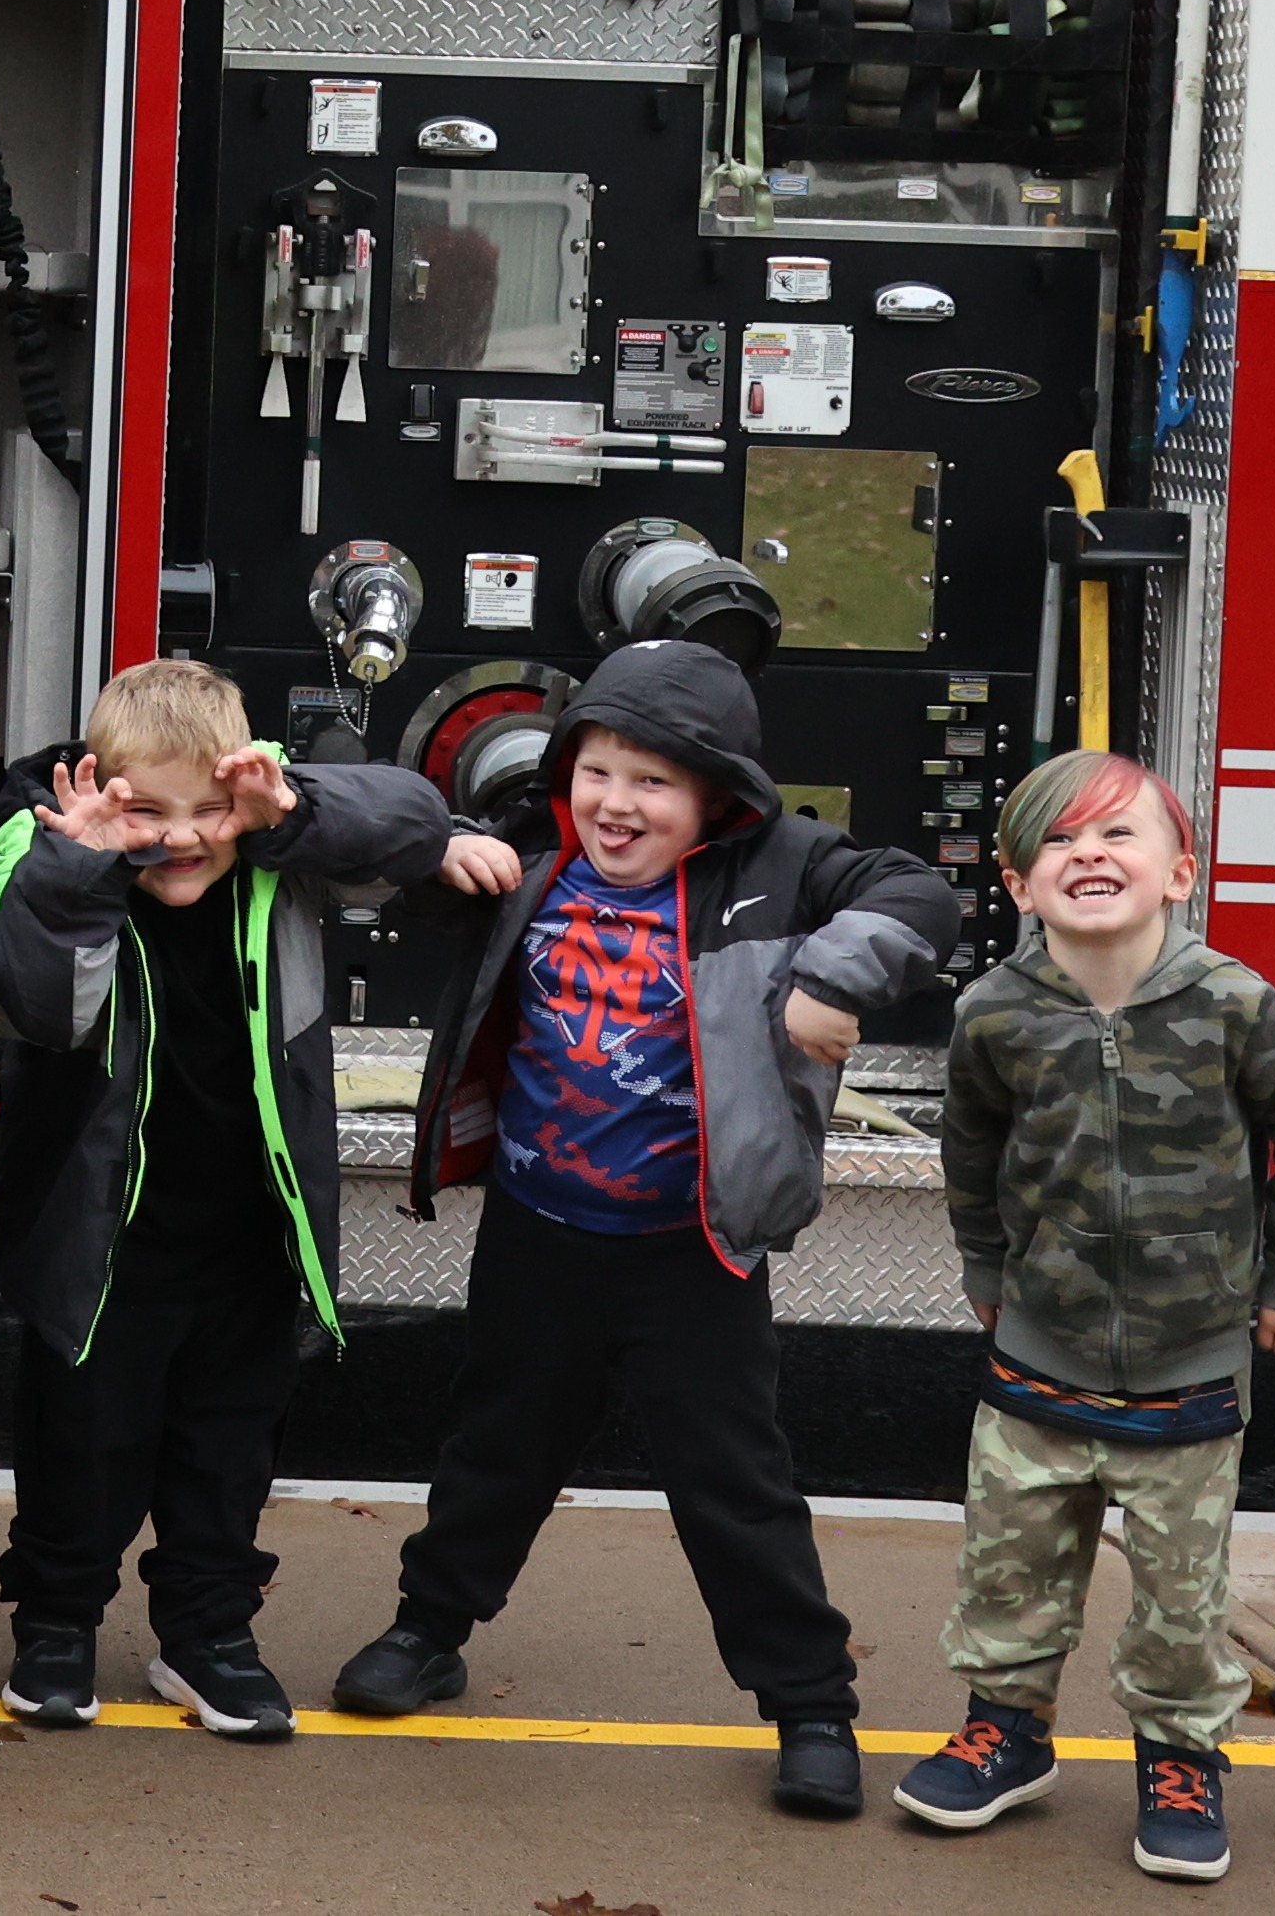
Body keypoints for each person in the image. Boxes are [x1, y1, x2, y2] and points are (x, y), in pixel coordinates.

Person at [335, 638, 959, 1819]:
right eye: (599, 772)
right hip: (537, 1233)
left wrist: (831, 976)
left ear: (717, 798)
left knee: (735, 1485)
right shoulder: (521, 856)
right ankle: (430, 1633)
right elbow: (346, 822)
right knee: (495, 1449)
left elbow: (921, 897)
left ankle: (811, 1705)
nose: (618, 805)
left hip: (692, 1253)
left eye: (655, 783)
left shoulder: (783, 866)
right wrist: (433, 839)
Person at [0, 661, 465, 1741]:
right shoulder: (43, 846)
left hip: (249, 1239)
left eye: (211, 811)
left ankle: (208, 1636)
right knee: (81, 1447)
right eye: (146, 810)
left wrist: (289, 812)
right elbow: (40, 1009)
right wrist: (82, 866)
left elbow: (413, 820)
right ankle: (56, 1625)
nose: (184, 837)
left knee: (227, 1453)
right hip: (100, 1240)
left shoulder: (279, 847)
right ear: (94, 786)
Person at [894, 751, 1275, 1882]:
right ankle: (1008, 1730)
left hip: (1193, 1359)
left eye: (1118, 836)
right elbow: (971, 1150)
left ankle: (1181, 1756)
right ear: (1017, 882)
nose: (1087, 855)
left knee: (1180, 1595)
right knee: (1012, 1560)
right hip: (1038, 1348)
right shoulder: (995, 1014)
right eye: (1056, 840)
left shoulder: (1238, 1004)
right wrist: (985, 1266)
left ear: (1180, 872)